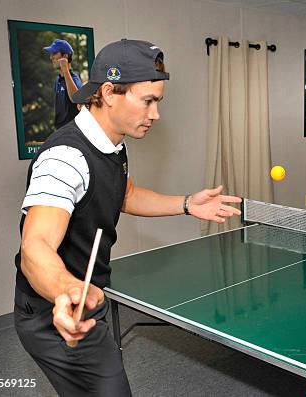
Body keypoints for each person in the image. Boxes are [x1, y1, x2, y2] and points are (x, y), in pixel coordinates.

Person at [14, 39, 242, 395]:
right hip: (56, 310)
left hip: (89, 296)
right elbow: (36, 246)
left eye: (158, 102)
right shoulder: (64, 159)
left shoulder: (111, 143)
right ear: (108, 92)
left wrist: (187, 203)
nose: (156, 114)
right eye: (148, 101)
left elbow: (126, 194)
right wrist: (67, 290)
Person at [43, 39, 84, 129]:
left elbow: (76, 99)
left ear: (65, 56)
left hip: (73, 133)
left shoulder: (74, 79)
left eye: (54, 53)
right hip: (61, 132)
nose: (51, 57)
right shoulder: (58, 80)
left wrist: (65, 69)